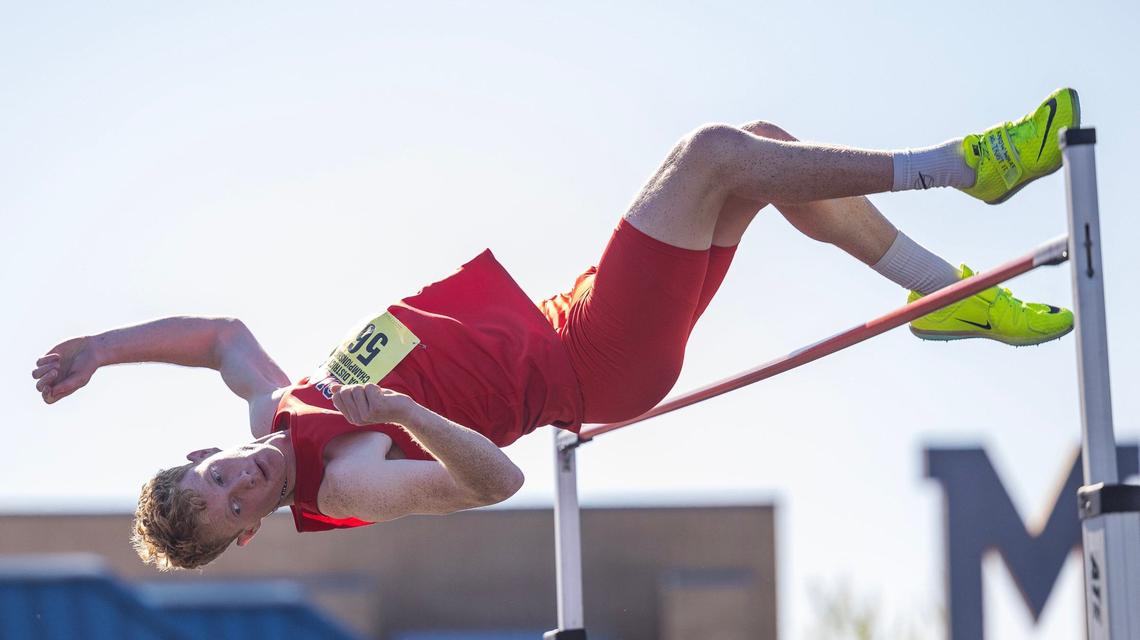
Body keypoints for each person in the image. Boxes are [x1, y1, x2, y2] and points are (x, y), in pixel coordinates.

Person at [32, 88, 1079, 570]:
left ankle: (947, 296)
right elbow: (496, 484)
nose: (236, 487)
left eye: (213, 480)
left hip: (571, 316)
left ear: (200, 453)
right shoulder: (342, 477)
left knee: (758, 150)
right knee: (712, 150)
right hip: (594, 365)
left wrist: (102, 349)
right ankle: (961, 167)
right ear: (251, 530)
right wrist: (400, 409)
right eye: (231, 511)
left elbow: (220, 334)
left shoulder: (279, 403)